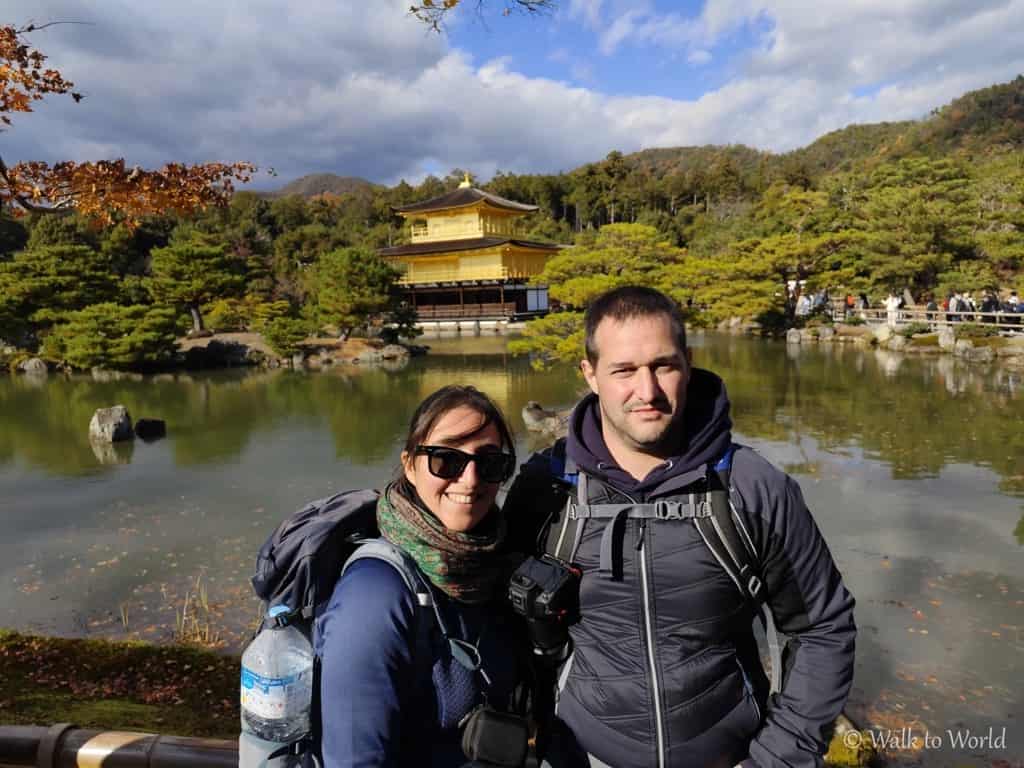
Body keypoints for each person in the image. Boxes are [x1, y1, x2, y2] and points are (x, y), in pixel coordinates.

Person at [512, 286, 856, 768]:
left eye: (663, 366)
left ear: (689, 364)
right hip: (582, 753)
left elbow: (823, 628)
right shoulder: (547, 490)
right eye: (624, 370)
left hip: (733, 754)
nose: (647, 391)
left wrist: (780, 756)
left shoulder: (750, 489)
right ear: (590, 374)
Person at [314, 385, 537, 768]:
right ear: (410, 465)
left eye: (489, 462)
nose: (469, 480)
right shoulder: (375, 594)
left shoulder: (494, 564)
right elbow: (355, 759)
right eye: (445, 460)